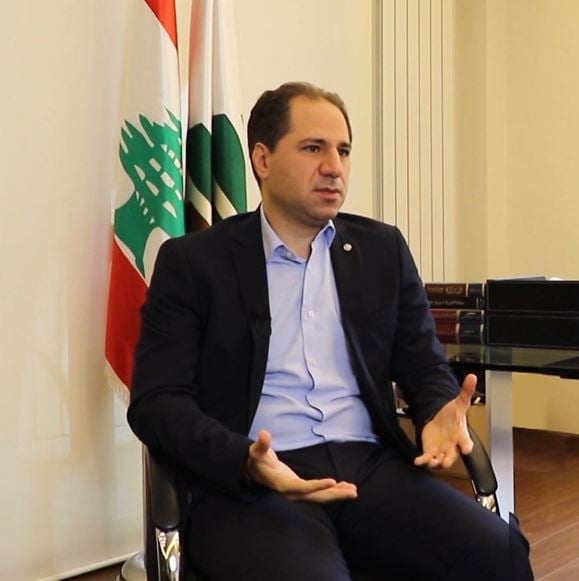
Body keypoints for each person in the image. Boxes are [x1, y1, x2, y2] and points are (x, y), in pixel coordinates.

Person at [128, 81, 533, 580]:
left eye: (343, 151)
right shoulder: (194, 263)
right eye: (313, 148)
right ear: (262, 159)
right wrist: (245, 461)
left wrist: (434, 413)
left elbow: (423, 366)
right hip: (257, 483)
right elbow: (156, 402)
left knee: (498, 550)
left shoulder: (382, 251)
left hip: (370, 469)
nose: (334, 167)